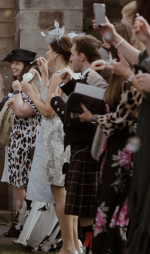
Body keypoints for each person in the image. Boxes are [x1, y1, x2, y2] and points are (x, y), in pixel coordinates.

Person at [92, 0, 150, 252]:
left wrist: (144, 83)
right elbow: (147, 59)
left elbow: (148, 66)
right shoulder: (149, 39)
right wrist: (117, 40)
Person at [77, 22, 142, 254]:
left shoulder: (133, 74)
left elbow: (122, 117)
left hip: (127, 152)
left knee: (118, 212)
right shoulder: (117, 73)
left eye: (108, 47)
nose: (105, 52)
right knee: (105, 208)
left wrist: (92, 119)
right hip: (113, 149)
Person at [19, 25, 78, 253]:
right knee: (64, 193)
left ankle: (69, 246)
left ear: (57, 52)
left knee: (59, 194)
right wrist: (43, 77)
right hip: (59, 135)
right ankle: (71, 244)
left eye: (48, 50)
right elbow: (51, 98)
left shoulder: (59, 75)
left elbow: (47, 111)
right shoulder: (61, 75)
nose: (47, 53)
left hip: (55, 138)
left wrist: (29, 91)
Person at [50, 34, 107, 252]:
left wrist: (57, 103)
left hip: (86, 149)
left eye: (73, 54)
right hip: (83, 149)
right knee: (85, 212)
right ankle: (89, 247)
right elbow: (88, 98)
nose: (70, 59)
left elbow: (80, 118)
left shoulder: (97, 77)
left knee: (88, 212)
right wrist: (70, 85)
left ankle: (92, 248)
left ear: (81, 56)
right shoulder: (88, 79)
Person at [0, 49, 41, 218]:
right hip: (16, 138)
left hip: (29, 139)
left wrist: (16, 92)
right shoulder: (20, 83)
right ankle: (19, 220)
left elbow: (23, 112)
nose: (13, 67)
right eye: (12, 63)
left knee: (25, 182)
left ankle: (24, 222)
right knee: (17, 182)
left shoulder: (33, 84)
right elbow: (9, 109)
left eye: (17, 63)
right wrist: (0, 88)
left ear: (27, 66)